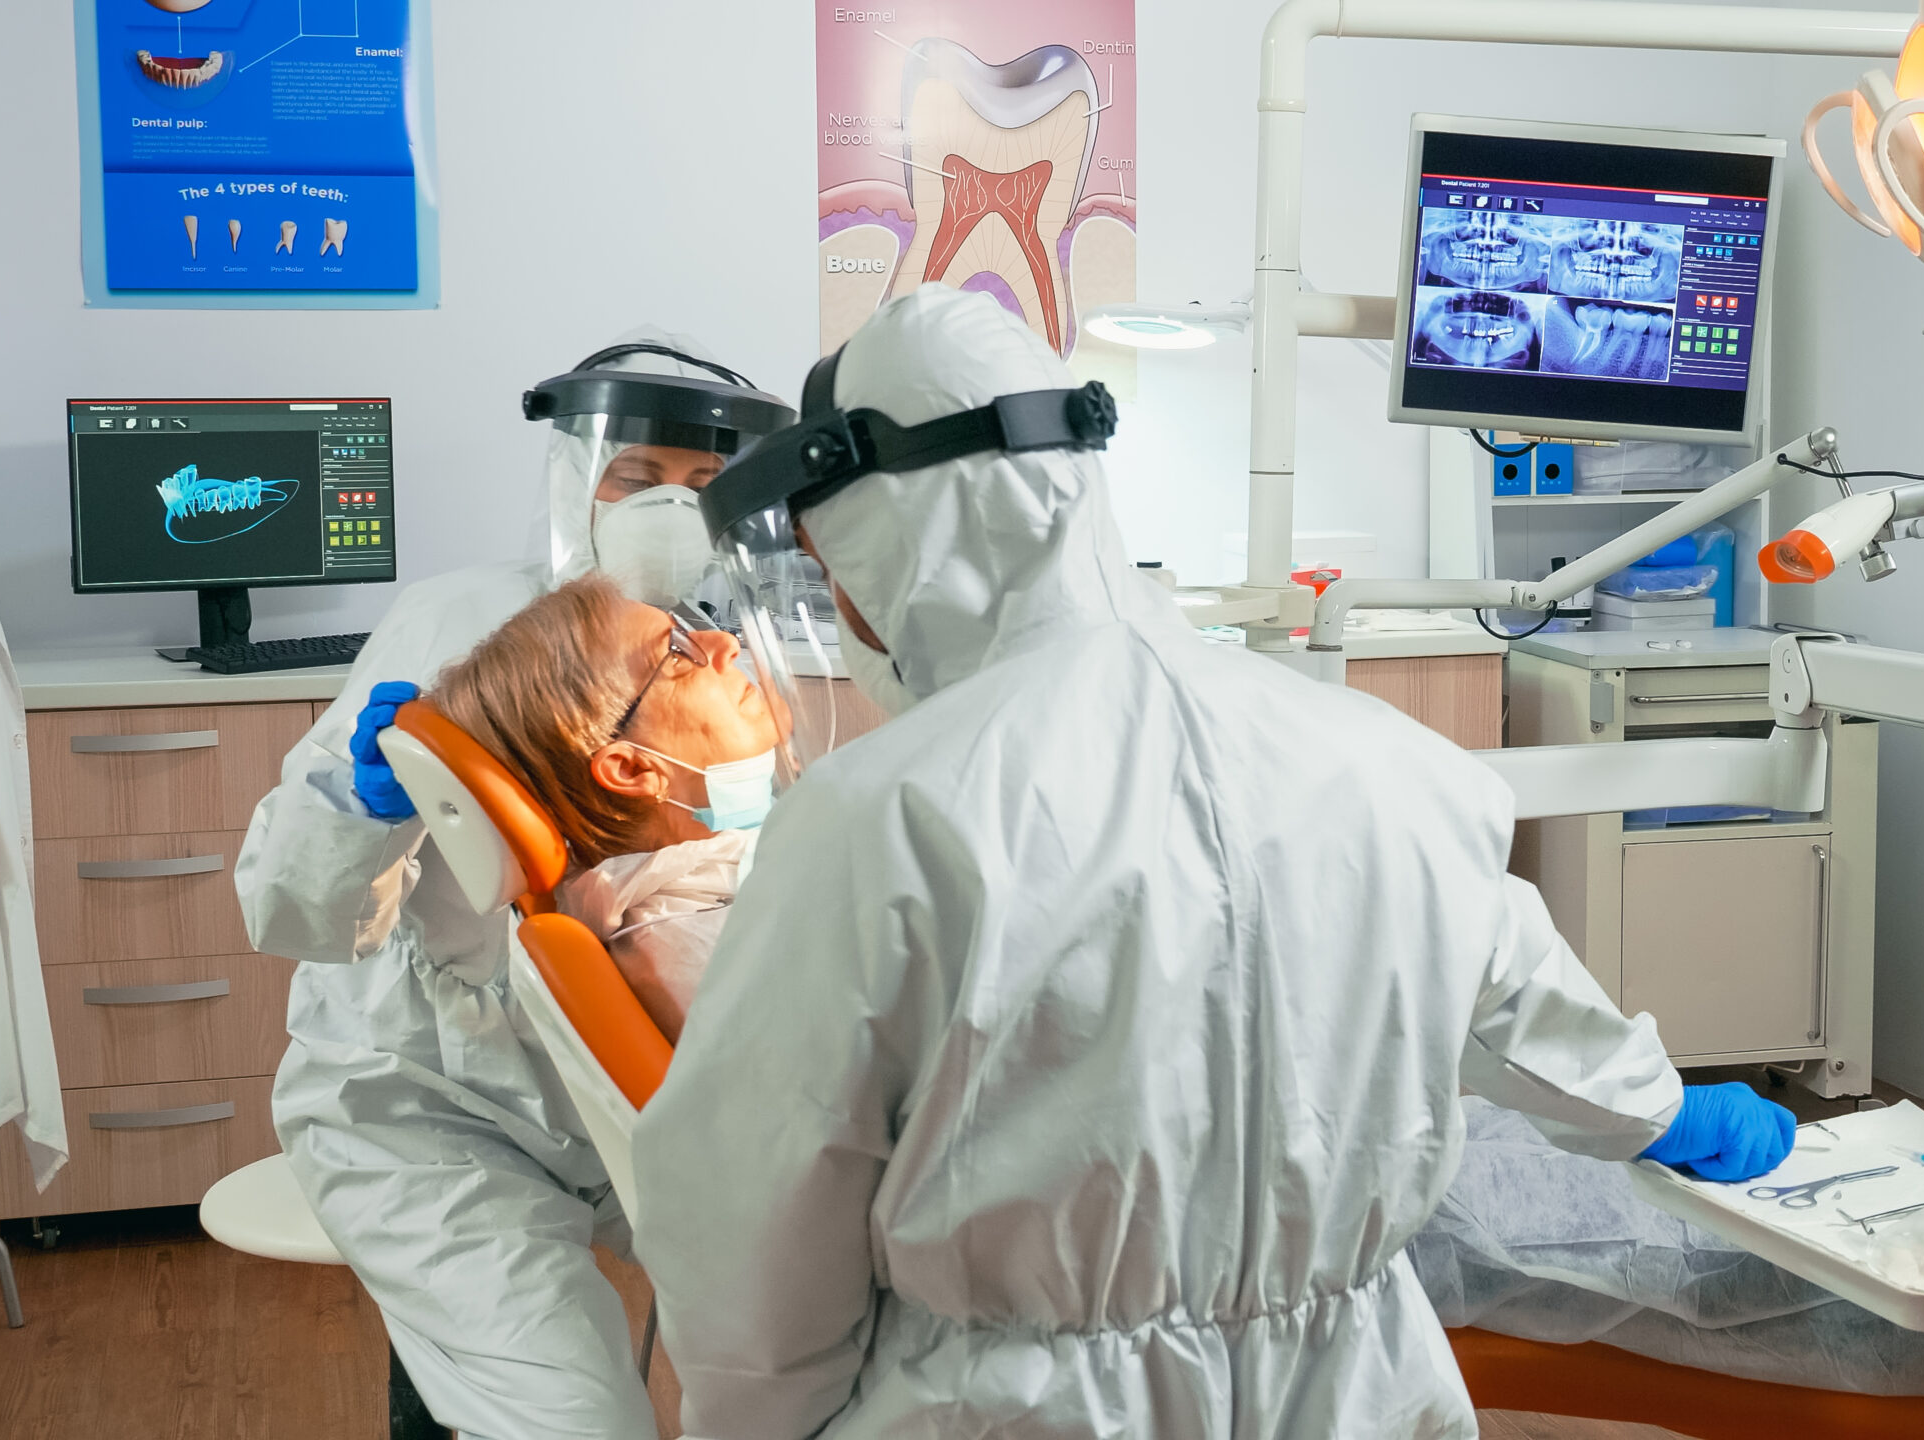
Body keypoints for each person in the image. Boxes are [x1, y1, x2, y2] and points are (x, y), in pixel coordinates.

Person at [431, 554, 1924, 1411]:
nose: (724, 644)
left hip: (1160, 1174)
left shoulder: (709, 876)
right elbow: (842, 1171)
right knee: (1592, 1221)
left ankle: (1919, 1216)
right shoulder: (703, 908)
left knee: (1558, 1167)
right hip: (1174, 1220)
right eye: (675, 650)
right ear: (616, 754)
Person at [627, 284, 1796, 1439]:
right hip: (1360, 1394)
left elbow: (749, 1212)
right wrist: (1656, 1110)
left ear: (887, 537)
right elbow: (1523, 1012)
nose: (835, 600)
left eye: (833, 564)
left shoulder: (880, 820)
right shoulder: (1396, 767)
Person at [234, 340, 792, 1440]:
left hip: (621, 1090)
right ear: (574, 477)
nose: (669, 514)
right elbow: (286, 909)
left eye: (700, 486)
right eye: (638, 479)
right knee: (569, 1418)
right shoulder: (459, 630)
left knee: (820, 1334)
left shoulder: (725, 646)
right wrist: (361, 809)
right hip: (432, 1105)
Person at [427, 574, 784, 1039]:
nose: (724, 642)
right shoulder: (700, 956)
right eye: (678, 653)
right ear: (632, 770)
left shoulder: (737, 880)